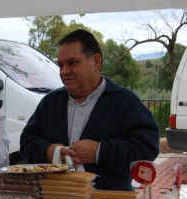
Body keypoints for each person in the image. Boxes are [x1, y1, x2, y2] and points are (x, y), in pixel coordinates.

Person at [20, 29, 160, 190]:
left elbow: (148, 147)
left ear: (96, 62)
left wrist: (100, 151)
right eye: (61, 65)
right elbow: (27, 141)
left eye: (72, 62)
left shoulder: (125, 102)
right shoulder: (50, 103)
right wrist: (48, 151)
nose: (64, 71)